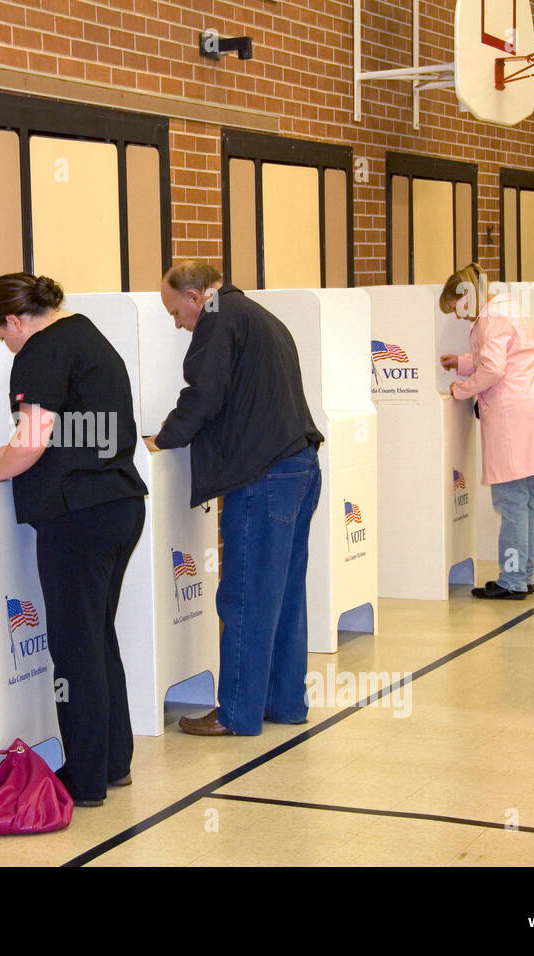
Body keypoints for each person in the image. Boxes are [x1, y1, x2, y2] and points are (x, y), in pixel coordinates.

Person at [0, 273, 148, 807]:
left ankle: (85, 778)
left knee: (74, 647)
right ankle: (114, 764)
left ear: (17, 321)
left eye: (3, 335)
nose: (6, 344)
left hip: (78, 516)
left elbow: (34, 438)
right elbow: (68, 431)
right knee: (97, 639)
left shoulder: (41, 351)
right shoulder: (88, 337)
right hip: (117, 505)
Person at [147, 261, 324, 737]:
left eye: (176, 311)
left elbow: (205, 394)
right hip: (299, 466)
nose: (179, 322)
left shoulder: (219, 317)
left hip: (262, 474)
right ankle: (285, 703)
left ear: (196, 295)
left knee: (245, 595)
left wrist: (164, 439)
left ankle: (237, 714)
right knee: (284, 594)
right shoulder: (257, 315)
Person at [439, 263, 534, 600]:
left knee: (511, 501)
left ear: (466, 297)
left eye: (456, 309)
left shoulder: (491, 317)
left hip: (514, 419)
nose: (459, 317)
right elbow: (503, 357)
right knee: (526, 500)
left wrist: (462, 388)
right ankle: (522, 575)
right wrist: (464, 361)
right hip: (532, 409)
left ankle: (512, 580)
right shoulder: (506, 307)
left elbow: (495, 368)